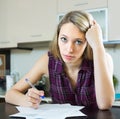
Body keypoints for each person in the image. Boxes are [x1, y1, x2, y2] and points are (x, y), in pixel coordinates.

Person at [5, 10, 115, 110]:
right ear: (57, 38)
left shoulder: (103, 59)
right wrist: (27, 100)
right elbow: (10, 94)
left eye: (78, 42)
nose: (69, 49)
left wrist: (98, 45)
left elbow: (105, 104)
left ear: (88, 43)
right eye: (64, 39)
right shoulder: (48, 60)